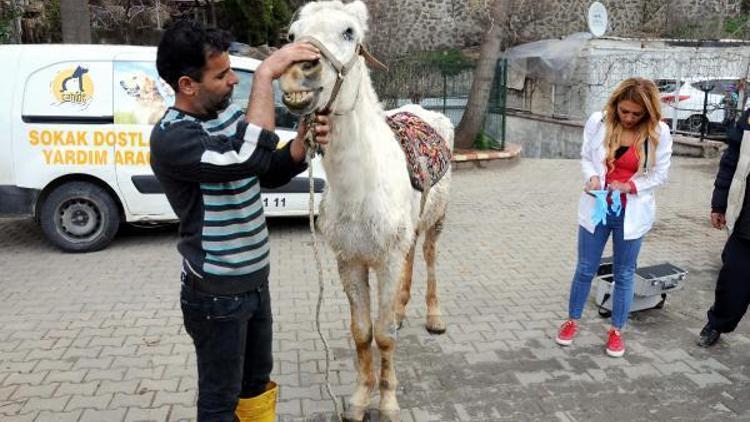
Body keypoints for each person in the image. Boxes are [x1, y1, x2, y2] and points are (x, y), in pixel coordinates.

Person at [150, 20, 329, 422]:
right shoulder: (173, 138)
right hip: (215, 296)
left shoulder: (227, 117)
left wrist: (301, 144)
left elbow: (264, 168)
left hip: (254, 283)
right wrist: (265, 72)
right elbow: (248, 156)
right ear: (187, 85)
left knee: (255, 386)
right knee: (219, 402)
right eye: (222, 74)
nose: (234, 80)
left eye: (235, 69)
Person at [555, 77, 673, 357]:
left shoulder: (659, 132)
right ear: (616, 105)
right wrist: (593, 177)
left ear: (648, 112)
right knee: (585, 267)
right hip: (598, 207)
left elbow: (660, 175)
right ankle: (572, 321)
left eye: (637, 113)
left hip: (631, 211)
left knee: (624, 273)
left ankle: (616, 331)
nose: (630, 118)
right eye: (624, 111)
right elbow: (585, 157)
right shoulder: (598, 122)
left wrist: (631, 185)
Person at [697, 107, 750, 348]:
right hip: (746, 225)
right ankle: (717, 323)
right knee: (733, 285)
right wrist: (719, 205)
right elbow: (730, 163)